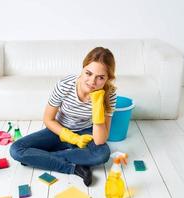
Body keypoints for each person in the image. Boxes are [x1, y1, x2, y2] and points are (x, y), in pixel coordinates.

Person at [10, 47, 117, 186]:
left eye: (100, 77)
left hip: (86, 133)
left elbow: (100, 139)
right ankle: (75, 167)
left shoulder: (110, 94)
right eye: (88, 73)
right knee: (16, 149)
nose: (92, 81)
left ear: (108, 78)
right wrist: (70, 137)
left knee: (102, 155)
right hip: (58, 130)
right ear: (83, 68)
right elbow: (48, 119)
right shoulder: (65, 84)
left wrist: (97, 105)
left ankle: (37, 158)